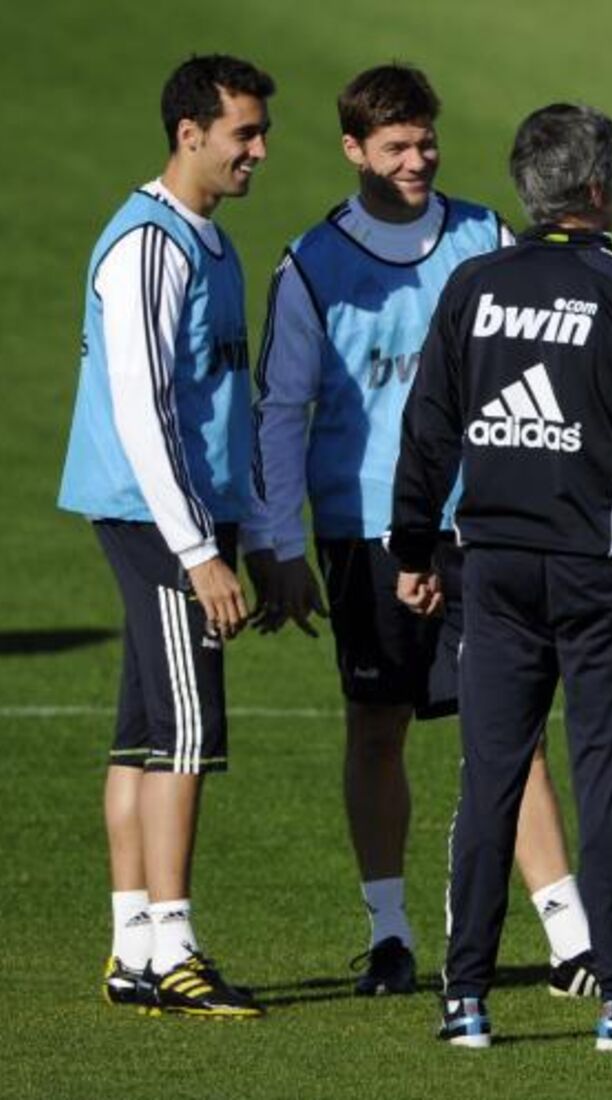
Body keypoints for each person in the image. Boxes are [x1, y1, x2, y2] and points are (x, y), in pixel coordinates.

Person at [243, 65, 596, 998]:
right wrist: (279, 542)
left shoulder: (483, 235)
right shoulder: (311, 265)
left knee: (510, 728)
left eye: (426, 141)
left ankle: (572, 941)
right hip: (363, 530)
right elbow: (281, 411)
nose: (416, 159)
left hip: (480, 524)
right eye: (395, 145)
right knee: (377, 727)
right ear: (354, 150)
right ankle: (392, 934)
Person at [391, 102, 612, 1050]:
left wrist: (413, 552)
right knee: (607, 781)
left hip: (490, 566)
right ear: (598, 188)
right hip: (603, 577)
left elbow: (429, 428)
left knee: (489, 776)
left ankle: (464, 1000)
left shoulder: (472, 285)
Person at [57, 54, 275, 1017]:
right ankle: (175, 951)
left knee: (145, 731)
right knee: (187, 730)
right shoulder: (150, 246)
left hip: (182, 515)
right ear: (190, 132)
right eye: (244, 133)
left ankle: (133, 949)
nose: (259, 151)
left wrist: (258, 532)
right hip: (157, 518)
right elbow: (144, 411)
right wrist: (200, 552)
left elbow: (231, 401)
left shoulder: (208, 243)